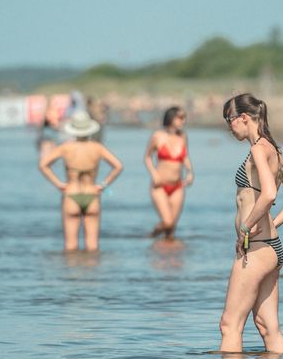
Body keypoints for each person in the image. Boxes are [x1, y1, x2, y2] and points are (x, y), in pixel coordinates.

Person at [220, 93, 283, 353]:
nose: (229, 127)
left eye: (229, 120)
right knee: (267, 326)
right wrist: (274, 224)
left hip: (256, 249)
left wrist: (246, 225)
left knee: (229, 324)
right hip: (271, 247)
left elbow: (269, 193)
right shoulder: (274, 149)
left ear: (244, 118)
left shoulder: (259, 149)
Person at [38, 110, 123, 251]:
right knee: (93, 246)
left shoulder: (66, 147)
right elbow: (118, 166)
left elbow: (43, 165)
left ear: (73, 130)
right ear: (89, 129)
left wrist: (58, 183)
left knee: (70, 246)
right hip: (92, 195)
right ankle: (93, 273)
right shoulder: (97, 148)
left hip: (71, 194)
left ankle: (72, 272)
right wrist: (103, 184)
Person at [143, 106, 194, 239]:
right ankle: (151, 236)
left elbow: (185, 157)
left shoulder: (183, 136)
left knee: (171, 230)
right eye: (180, 117)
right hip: (159, 186)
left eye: (184, 118)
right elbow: (147, 157)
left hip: (177, 186)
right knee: (167, 222)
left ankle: (170, 257)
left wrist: (190, 172)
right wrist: (154, 174)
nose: (183, 121)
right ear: (171, 118)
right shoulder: (158, 136)